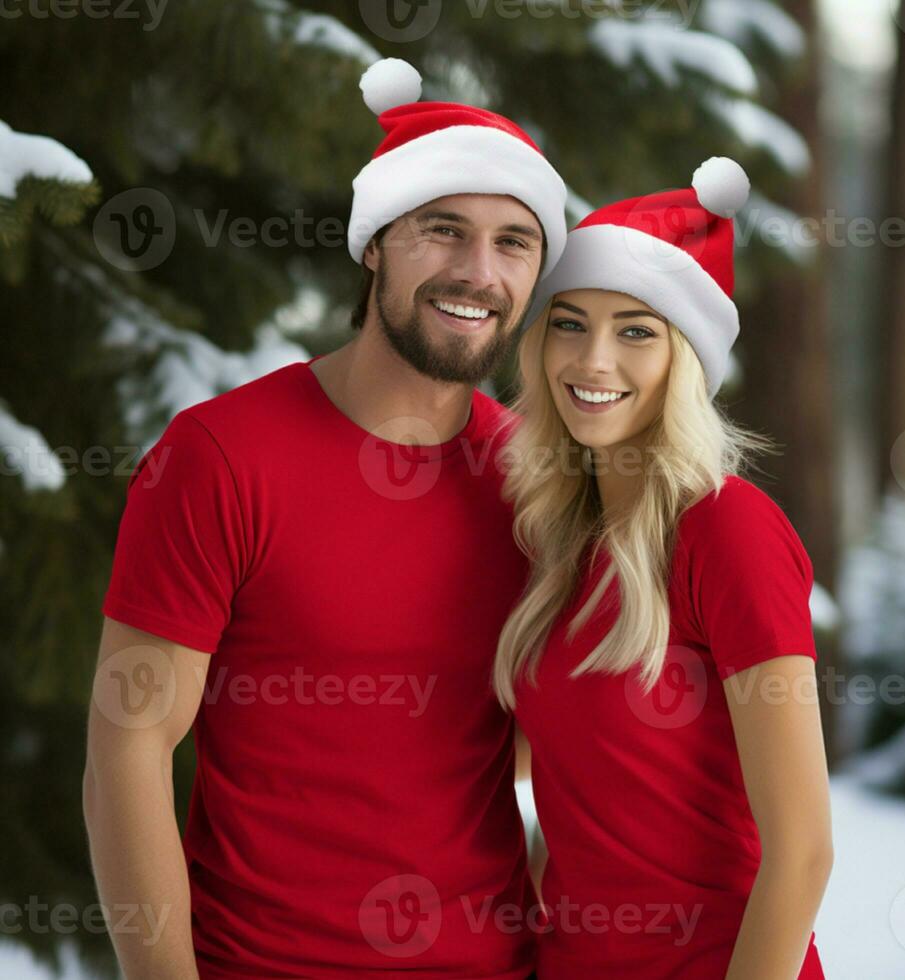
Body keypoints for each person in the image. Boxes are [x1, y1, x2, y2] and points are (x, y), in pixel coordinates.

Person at [83, 57, 566, 979]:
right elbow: (126, 749)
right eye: (443, 229)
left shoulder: (541, 485)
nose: (478, 270)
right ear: (376, 241)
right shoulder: (219, 456)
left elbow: (570, 759)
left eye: (515, 242)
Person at [493, 157, 834, 979]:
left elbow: (804, 852)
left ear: (686, 359)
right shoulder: (557, 548)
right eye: (569, 323)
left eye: (636, 331)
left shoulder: (729, 531)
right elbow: (582, 810)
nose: (593, 360)